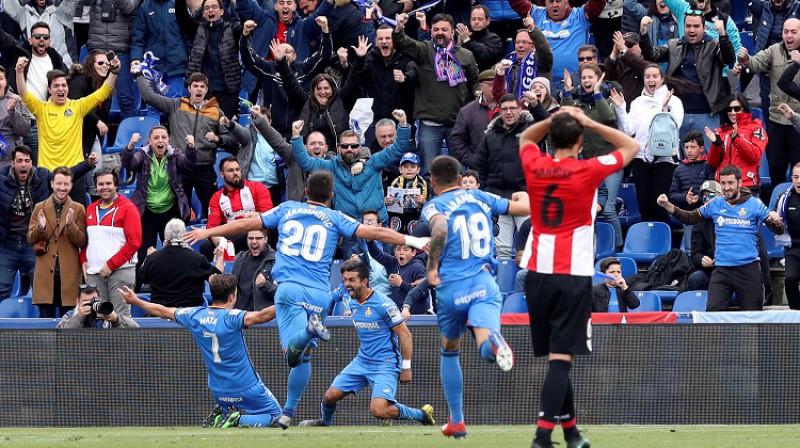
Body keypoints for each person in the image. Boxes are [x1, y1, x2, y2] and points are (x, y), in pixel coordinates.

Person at [183, 170, 429, 429]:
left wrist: (207, 232)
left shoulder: (288, 208)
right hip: (320, 295)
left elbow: (248, 224)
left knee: (292, 356)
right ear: (332, 196)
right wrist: (413, 239)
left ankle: (306, 337)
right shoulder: (335, 217)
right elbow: (375, 233)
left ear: (306, 193)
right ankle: (288, 412)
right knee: (306, 357)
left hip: (290, 290)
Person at [519, 106, 640, 448]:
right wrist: (587, 121)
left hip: (537, 273)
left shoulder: (536, 163)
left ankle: (571, 433)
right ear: (580, 141)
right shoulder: (587, 169)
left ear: (551, 139)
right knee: (561, 360)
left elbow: (526, 137)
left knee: (560, 355)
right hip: (571, 274)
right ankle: (543, 435)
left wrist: (553, 119)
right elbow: (630, 146)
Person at [422, 155, 530, 439]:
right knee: (485, 343)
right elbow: (526, 207)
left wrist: (432, 266)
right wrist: (524, 195)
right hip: (483, 282)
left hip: (451, 287)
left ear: (432, 183)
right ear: (460, 180)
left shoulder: (434, 205)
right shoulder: (481, 197)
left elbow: (441, 228)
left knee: (450, 350)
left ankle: (457, 421)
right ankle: (494, 343)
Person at [119, 274, 282, 428]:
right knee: (276, 415)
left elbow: (162, 311)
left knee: (227, 420)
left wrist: (136, 301)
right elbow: (261, 316)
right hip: (246, 386)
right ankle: (237, 419)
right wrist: (287, 301)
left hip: (218, 390)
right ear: (232, 297)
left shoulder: (194, 315)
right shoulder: (232, 317)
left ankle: (223, 415)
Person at [298, 259, 435, 427]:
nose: (347, 284)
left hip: (385, 363)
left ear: (365, 281)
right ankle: (324, 423)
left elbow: (406, 335)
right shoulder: (349, 295)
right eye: (345, 280)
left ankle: (421, 414)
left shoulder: (384, 305)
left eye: (352, 280)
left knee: (378, 410)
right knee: (329, 396)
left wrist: (406, 367)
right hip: (362, 361)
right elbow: (327, 299)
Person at [657, 165, 785, 311]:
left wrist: (776, 221)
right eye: (723, 183)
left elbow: (779, 230)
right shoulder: (715, 204)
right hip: (722, 269)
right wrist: (667, 205)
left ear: (739, 183)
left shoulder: (754, 204)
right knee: (713, 315)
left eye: (730, 183)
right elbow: (689, 217)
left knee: (751, 318)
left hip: (748, 269)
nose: (726, 187)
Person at [133, 68, 237, 214]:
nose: (198, 89)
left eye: (202, 86)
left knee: (214, 212)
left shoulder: (217, 112)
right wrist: (138, 75)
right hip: (180, 169)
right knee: (180, 215)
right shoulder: (175, 105)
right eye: (195, 86)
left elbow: (232, 138)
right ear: (189, 88)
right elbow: (150, 97)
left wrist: (218, 139)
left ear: (207, 90)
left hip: (205, 169)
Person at [16, 55, 118, 203]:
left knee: (76, 221)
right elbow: (23, 93)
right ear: (50, 90)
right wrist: (19, 71)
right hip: (48, 174)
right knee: (48, 222)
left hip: (74, 172)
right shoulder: (41, 109)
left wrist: (113, 72)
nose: (61, 88)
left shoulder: (78, 107)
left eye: (64, 85)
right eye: (56, 86)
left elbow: (103, 92)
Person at [0, 145, 95, 300]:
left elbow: (65, 176)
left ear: (32, 163)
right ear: (13, 163)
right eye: (19, 161)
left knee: (42, 290)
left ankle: (40, 324)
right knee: (2, 290)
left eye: (27, 161)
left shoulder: (42, 176)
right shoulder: (1, 179)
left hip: (34, 242)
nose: (23, 165)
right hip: (6, 244)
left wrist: (88, 164)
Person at [392, 13, 479, 178]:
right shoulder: (424, 51)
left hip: (457, 123)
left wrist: (477, 90)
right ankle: (429, 202)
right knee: (428, 171)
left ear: (452, 32)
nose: (440, 33)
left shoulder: (466, 55)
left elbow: (474, 80)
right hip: (429, 123)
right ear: (431, 32)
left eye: (444, 29)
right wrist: (399, 28)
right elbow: (402, 43)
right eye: (436, 29)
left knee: (460, 172)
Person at [290, 110, 410, 225]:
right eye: (345, 146)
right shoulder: (331, 166)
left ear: (360, 148)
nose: (349, 149)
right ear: (338, 148)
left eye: (353, 146)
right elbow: (306, 163)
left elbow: (398, 148)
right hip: (347, 228)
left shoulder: (373, 163)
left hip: (376, 224)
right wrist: (296, 136)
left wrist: (403, 124)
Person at [639, 13, 736, 150]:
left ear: (704, 28)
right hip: (677, 115)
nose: (691, 30)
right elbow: (652, 55)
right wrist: (643, 33)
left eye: (696, 26)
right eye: (688, 26)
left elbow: (729, 59)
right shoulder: (674, 45)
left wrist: (723, 36)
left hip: (706, 114)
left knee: (707, 161)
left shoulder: (714, 46)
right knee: (679, 161)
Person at [560, 66, 623, 251]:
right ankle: (592, 249)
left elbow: (609, 117)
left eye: (591, 77)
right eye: (584, 77)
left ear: (598, 80)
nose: (587, 80)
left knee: (608, 209)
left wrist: (597, 94)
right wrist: (566, 91)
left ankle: (619, 249)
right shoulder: (577, 104)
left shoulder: (608, 99)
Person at [612, 63, 684, 224]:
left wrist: (664, 108)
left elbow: (675, 126)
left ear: (662, 79)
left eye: (655, 76)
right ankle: (648, 244)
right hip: (640, 160)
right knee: (645, 208)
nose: (651, 80)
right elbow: (628, 130)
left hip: (664, 161)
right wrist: (621, 108)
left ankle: (664, 247)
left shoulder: (675, 101)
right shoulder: (637, 102)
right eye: (647, 77)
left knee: (660, 207)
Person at [239, 17, 332, 138]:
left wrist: (325, 31)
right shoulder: (269, 69)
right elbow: (248, 59)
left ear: (295, 55)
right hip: (273, 132)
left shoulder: (304, 69)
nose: (283, 54)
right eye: (280, 51)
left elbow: (324, 56)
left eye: (288, 51)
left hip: (300, 131)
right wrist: (245, 34)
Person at [122, 126, 197, 273]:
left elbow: (189, 165)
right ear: (150, 141)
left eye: (163, 137)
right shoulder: (142, 155)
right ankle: (141, 284)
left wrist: (191, 148)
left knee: (172, 252)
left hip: (169, 211)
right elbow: (129, 164)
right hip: (147, 211)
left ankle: (172, 283)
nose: (160, 140)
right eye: (156, 138)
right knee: (143, 252)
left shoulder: (175, 155)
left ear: (168, 140)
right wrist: (130, 146)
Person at [475, 93, 540, 258]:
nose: (509, 112)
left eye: (512, 108)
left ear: (519, 110)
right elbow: (481, 169)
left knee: (531, 247)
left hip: (525, 197)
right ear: (500, 112)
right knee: (502, 250)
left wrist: (536, 106)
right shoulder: (489, 136)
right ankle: (503, 284)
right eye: (505, 109)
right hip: (499, 199)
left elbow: (547, 125)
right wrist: (483, 194)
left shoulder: (530, 131)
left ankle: (526, 283)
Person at [738, 18, 800, 190]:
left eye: (793, 32)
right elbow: (756, 64)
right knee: (775, 169)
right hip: (776, 121)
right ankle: (776, 205)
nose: (789, 35)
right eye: (786, 31)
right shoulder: (774, 50)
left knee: (799, 169)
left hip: (798, 124)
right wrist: (745, 59)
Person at [81, 168, 142, 317]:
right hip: (95, 274)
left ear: (116, 186)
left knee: (120, 317)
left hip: (120, 272)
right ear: (96, 186)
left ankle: (123, 342)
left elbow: (135, 242)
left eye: (108, 183)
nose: (105, 187)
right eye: (101, 184)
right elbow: (87, 241)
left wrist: (111, 264)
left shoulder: (128, 208)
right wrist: (83, 258)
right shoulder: (90, 209)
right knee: (98, 318)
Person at [27, 166, 86, 318]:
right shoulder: (40, 207)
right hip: (45, 277)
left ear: (71, 185)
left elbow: (82, 241)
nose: (62, 188)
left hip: (70, 277)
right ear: (52, 184)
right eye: (59, 184)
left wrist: (70, 225)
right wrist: (41, 227)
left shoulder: (78, 209)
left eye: (66, 184)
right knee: (45, 326)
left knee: (70, 326)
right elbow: (30, 238)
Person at [509, 0, 607, 85]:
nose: (554, 5)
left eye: (558, 1)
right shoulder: (536, 14)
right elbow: (516, 2)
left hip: (576, 82)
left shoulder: (580, 16)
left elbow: (598, 2)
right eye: (551, 1)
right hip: (542, 83)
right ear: (545, 3)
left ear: (566, 2)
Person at [175, 0, 242, 119]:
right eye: (206, 8)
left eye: (214, 7)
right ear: (203, 14)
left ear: (222, 11)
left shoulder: (233, 30)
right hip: (204, 92)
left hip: (227, 93)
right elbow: (181, 15)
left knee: (227, 132)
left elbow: (246, 18)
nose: (210, 10)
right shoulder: (197, 31)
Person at [203, 156, 273, 260]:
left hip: (256, 232)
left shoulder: (257, 188)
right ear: (222, 175)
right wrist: (222, 243)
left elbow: (268, 216)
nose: (235, 173)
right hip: (231, 235)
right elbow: (212, 228)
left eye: (237, 169)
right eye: (230, 170)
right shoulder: (217, 197)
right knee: (206, 247)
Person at [139, 219, 220, 308]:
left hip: (159, 313)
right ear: (184, 235)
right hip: (190, 314)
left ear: (166, 235)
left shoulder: (152, 259)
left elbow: (141, 277)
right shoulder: (198, 259)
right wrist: (220, 257)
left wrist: (148, 257)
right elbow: (217, 280)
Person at [131, 0, 191, 118]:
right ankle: (155, 135)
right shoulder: (145, 7)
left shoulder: (178, 5)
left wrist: (191, 54)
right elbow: (138, 36)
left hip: (176, 63)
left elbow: (188, 33)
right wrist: (136, 57)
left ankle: (176, 136)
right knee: (152, 104)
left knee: (175, 104)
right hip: (153, 66)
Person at [66, 49, 112, 198]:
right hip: (74, 137)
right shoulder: (80, 80)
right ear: (91, 64)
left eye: (107, 64)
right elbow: (75, 104)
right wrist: (97, 121)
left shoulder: (105, 87)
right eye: (100, 63)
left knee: (95, 179)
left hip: (91, 136)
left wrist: (98, 122)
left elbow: (103, 113)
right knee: (78, 179)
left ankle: (95, 213)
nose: (105, 66)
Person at [83, 0, 139, 120]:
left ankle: (132, 137)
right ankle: (93, 136)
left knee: (126, 99)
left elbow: (128, 8)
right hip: (96, 50)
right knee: (90, 98)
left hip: (120, 51)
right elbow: (83, 3)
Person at [704, 94, 767, 195]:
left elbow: (754, 156)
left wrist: (737, 139)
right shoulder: (721, 130)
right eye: (730, 109)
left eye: (737, 109)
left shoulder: (756, 129)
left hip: (746, 185)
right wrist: (716, 144)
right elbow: (713, 163)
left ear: (744, 109)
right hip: (723, 186)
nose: (733, 113)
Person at [668, 131, 716, 252]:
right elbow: (672, 195)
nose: (689, 150)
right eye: (686, 147)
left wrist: (699, 198)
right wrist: (685, 198)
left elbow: (713, 191)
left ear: (701, 148)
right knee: (691, 250)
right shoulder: (679, 169)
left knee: (710, 248)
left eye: (692, 147)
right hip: (688, 215)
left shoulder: (708, 167)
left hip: (707, 215)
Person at [448, 69, 501, 170]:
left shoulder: (510, 108)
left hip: (504, 169)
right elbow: (456, 140)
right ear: (481, 86)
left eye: (499, 84)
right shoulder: (467, 111)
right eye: (491, 85)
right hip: (478, 170)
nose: (495, 88)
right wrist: (473, 160)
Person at [1, 0, 78, 67]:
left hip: (65, 67)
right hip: (36, 67)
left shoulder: (63, 10)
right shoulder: (24, 13)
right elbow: (7, 3)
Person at [217, 228, 277, 311]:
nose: (254, 242)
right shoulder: (240, 258)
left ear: (266, 239)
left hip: (262, 318)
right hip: (239, 316)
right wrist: (220, 259)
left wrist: (265, 285)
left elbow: (285, 295)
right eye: (251, 238)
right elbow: (229, 287)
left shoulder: (276, 260)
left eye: (258, 238)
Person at [686, 180, 720, 291]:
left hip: (731, 269)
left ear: (721, 196)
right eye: (704, 197)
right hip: (710, 270)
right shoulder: (699, 222)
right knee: (696, 278)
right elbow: (695, 254)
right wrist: (701, 259)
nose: (707, 200)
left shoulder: (731, 217)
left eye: (711, 195)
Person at [56, 283, 139, 329]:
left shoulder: (106, 311)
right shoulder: (71, 315)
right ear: (78, 302)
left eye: (93, 300)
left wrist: (116, 320)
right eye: (86, 302)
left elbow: (137, 330)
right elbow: (59, 336)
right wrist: (79, 317)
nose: (91, 304)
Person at [775, 163, 800, 309]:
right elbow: (774, 220)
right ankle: (796, 312)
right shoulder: (784, 199)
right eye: (796, 177)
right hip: (793, 247)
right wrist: (774, 220)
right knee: (790, 279)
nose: (799, 181)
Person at [385, 152, 429, 234]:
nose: (409, 169)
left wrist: (424, 201)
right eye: (405, 167)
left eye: (413, 167)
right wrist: (386, 201)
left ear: (418, 169)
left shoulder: (423, 183)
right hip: (397, 216)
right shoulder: (394, 182)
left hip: (415, 216)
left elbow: (431, 202)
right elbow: (384, 200)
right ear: (400, 169)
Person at [0, 66, 32, 163]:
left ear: (6, 81)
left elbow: (24, 130)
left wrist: (13, 112)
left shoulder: (16, 100)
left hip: (10, 163)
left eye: (0, 78)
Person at [458, 5, 505, 71]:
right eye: (473, 19)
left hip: (486, 77)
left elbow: (483, 56)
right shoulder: (466, 36)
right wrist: (459, 44)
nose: (476, 22)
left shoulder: (495, 39)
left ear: (488, 21)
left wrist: (467, 40)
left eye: (480, 19)